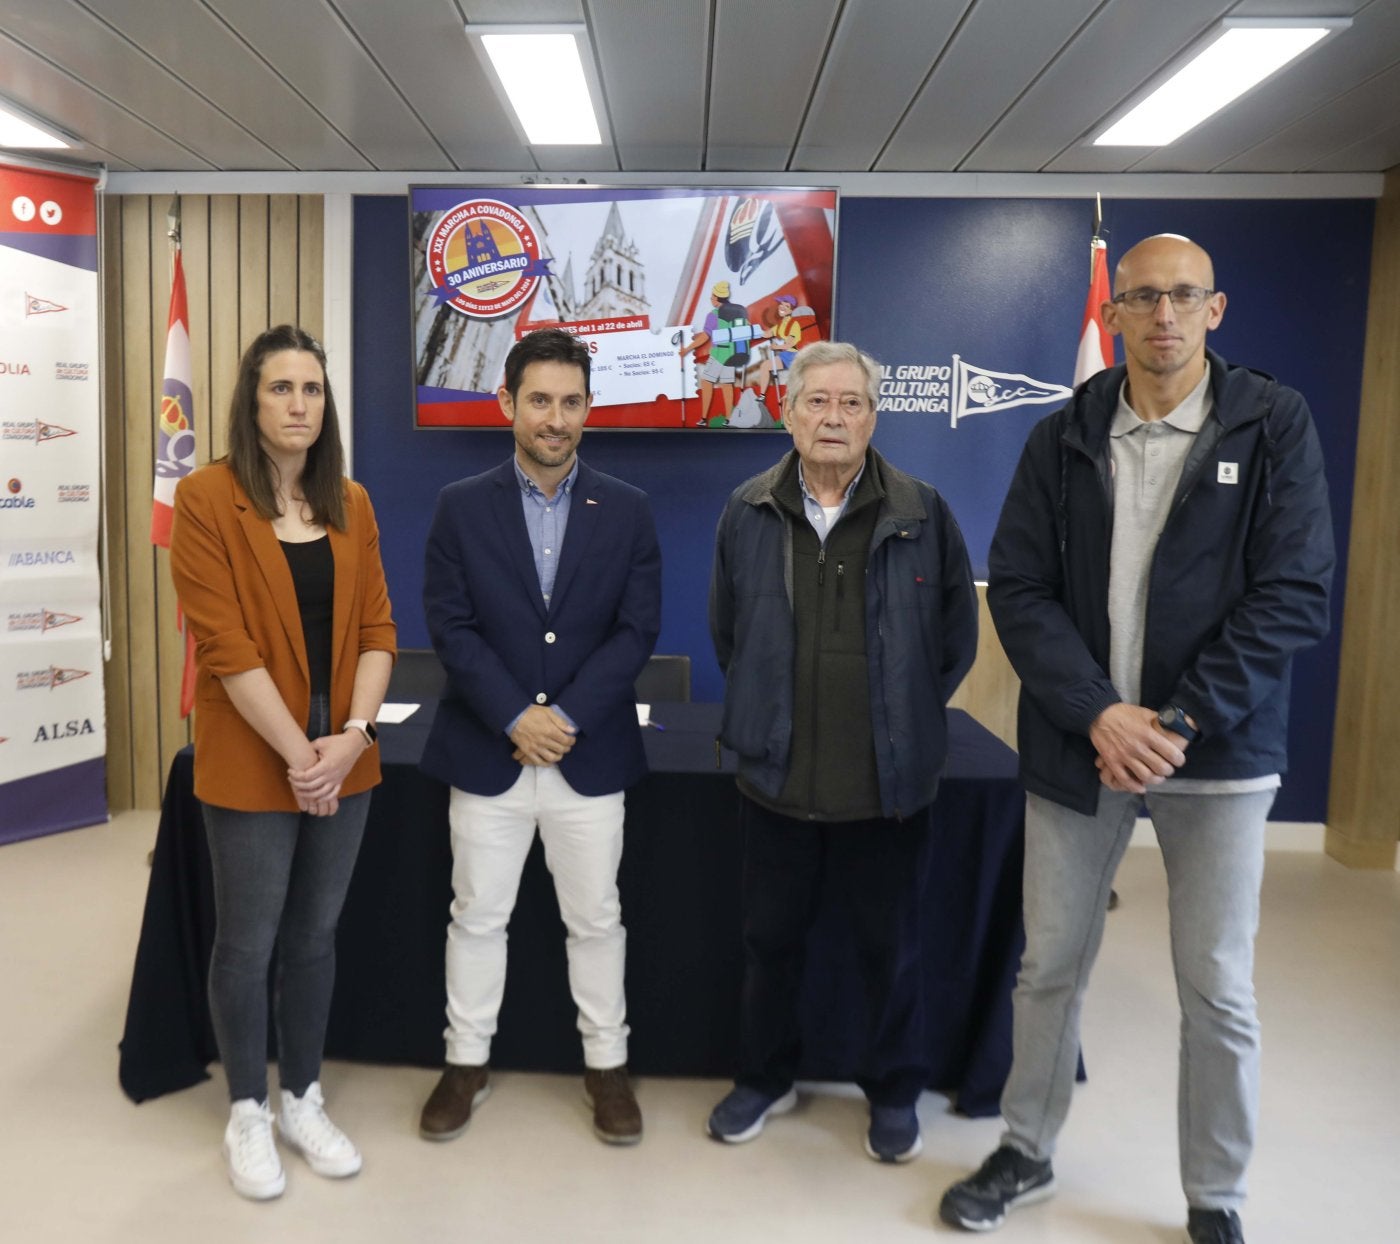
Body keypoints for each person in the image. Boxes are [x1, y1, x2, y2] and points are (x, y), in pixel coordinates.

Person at [938, 235, 1334, 1244]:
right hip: (1082, 743)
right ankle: (1023, 1147)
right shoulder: (1060, 434)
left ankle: (1214, 1194)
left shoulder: (1271, 422)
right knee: (1048, 965)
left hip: (1218, 749)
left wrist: (1175, 721)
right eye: (1141, 297)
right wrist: (1098, 712)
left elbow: (1292, 593)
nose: (1162, 313)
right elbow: (1019, 591)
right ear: (1112, 315)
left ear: (1214, 308)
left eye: (1181, 295)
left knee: (1215, 985)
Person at [706, 340, 978, 1163]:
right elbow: (730, 635)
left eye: (851, 403)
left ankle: (893, 1093)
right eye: (817, 402)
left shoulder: (924, 512)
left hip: (887, 789)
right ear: (788, 415)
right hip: (775, 779)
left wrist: (897, 721)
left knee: (890, 953)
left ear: (872, 416)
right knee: (769, 948)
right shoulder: (746, 509)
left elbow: (954, 643)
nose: (834, 417)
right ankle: (764, 1080)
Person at [417, 327, 661, 1146]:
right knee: (477, 917)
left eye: (569, 401)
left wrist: (565, 719)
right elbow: (449, 626)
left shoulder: (627, 509)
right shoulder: (459, 506)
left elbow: (636, 631)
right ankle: (466, 1061)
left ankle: (607, 1068)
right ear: (507, 405)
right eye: (539, 400)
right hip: (489, 750)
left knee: (596, 920)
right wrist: (516, 715)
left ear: (588, 409)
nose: (555, 418)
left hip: (587, 758)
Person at [169, 325, 396, 1201]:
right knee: (249, 940)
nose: (300, 404)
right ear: (250, 401)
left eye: (312, 389)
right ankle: (246, 1110)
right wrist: (305, 756)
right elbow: (223, 645)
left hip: (343, 750)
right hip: (257, 748)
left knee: (313, 937)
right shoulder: (205, 496)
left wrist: (352, 740)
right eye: (281, 389)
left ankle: (301, 1093)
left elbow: (379, 630)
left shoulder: (353, 501)